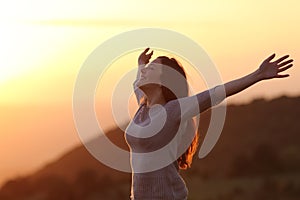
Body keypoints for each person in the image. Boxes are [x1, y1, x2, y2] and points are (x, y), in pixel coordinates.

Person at [125, 48, 293, 200]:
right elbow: (137, 82)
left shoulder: (174, 110)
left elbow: (216, 93)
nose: (144, 72)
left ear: (164, 81)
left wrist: (257, 75)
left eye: (151, 69)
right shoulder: (143, 107)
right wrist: (141, 64)